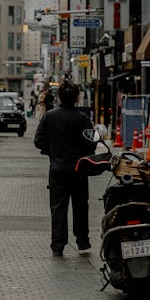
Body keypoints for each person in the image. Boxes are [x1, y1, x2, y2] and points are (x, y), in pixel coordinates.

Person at [33, 80, 94, 257]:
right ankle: (82, 241)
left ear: (59, 96)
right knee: (80, 205)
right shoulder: (82, 118)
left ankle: (58, 244)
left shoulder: (50, 116)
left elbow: (38, 140)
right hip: (79, 169)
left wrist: (50, 150)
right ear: (76, 98)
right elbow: (91, 144)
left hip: (57, 168)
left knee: (58, 207)